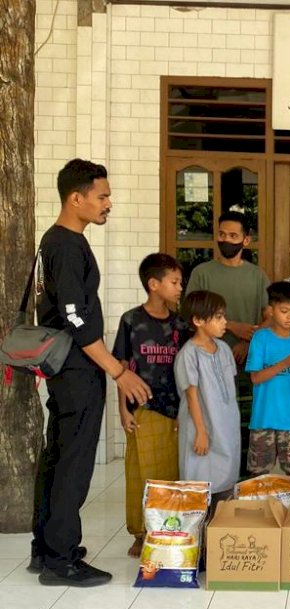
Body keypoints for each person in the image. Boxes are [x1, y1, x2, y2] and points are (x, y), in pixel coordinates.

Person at [31, 159, 150, 587]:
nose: (108, 204)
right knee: (73, 463)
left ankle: (46, 547)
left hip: (72, 368)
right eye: (102, 196)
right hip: (78, 369)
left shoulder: (62, 240)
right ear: (75, 198)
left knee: (58, 456)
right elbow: (75, 320)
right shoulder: (64, 244)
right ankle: (60, 559)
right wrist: (118, 371)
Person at [113, 253, 189, 558]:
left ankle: (166, 527)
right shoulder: (131, 320)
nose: (179, 287)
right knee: (139, 471)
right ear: (153, 284)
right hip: (141, 408)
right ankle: (140, 530)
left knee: (170, 471)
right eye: (174, 282)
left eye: (180, 282)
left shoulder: (181, 324)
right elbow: (121, 365)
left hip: (175, 409)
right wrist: (122, 408)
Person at [185, 210, 270, 476]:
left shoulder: (257, 276)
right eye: (222, 234)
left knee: (245, 427)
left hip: (248, 364)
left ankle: (244, 488)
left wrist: (250, 342)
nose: (226, 240)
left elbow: (269, 317)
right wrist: (233, 326)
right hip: (209, 363)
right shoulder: (202, 273)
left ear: (246, 240)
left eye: (233, 235)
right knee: (212, 425)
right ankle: (216, 487)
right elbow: (191, 314)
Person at [174, 291, 241, 506]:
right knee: (200, 483)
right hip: (201, 426)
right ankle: (200, 535)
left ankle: (220, 534)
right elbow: (191, 395)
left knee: (226, 483)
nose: (225, 322)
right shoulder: (189, 354)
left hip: (226, 425)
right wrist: (201, 433)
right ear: (198, 320)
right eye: (218, 317)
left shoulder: (223, 349)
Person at [245, 282, 290, 478]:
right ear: (271, 310)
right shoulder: (261, 338)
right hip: (264, 419)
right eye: (284, 311)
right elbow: (256, 377)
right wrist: (285, 363)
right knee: (258, 477)